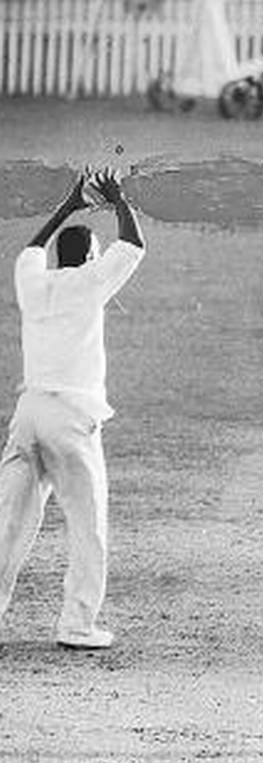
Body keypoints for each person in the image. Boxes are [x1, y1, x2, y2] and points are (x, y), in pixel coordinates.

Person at [0, 169, 146, 649]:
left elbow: (29, 252)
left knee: (9, 525)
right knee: (88, 528)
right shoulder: (90, 283)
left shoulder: (33, 286)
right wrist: (118, 197)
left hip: (28, 414)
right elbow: (133, 244)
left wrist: (69, 204)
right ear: (88, 258)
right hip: (71, 421)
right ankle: (77, 625)